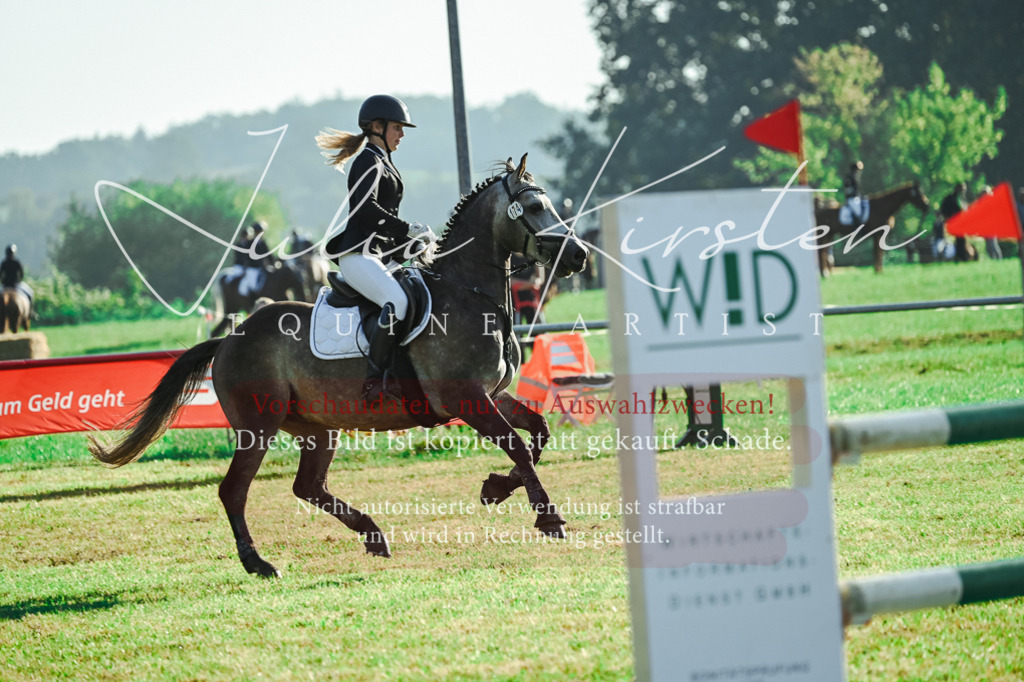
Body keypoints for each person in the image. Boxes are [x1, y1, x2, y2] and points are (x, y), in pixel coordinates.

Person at [316, 94, 437, 400]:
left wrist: (413, 244)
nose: (402, 134)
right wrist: (405, 229)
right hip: (358, 256)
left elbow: (386, 220)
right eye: (398, 127)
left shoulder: (384, 162)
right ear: (377, 127)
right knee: (397, 302)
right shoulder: (367, 161)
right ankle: (374, 380)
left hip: (379, 255)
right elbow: (366, 210)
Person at [940, 182, 969, 263]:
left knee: (961, 241)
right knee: (956, 241)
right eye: (962, 189)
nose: (963, 191)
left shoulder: (962, 199)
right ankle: (959, 257)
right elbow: (943, 209)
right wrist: (948, 219)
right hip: (953, 224)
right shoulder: (951, 199)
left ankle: (961, 258)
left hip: (961, 224)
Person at [1, 244, 33, 314]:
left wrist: (3, 282)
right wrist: (18, 280)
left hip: (6, 285)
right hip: (15, 285)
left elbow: (1, 274)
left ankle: (30, 312)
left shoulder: (4, 263)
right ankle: (30, 312)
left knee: (30, 293)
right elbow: (21, 274)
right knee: (30, 293)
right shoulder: (16, 262)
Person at [841, 161, 869, 226]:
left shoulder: (855, 177)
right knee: (858, 213)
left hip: (856, 198)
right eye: (857, 169)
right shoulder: (849, 178)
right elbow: (848, 190)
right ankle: (857, 228)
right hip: (852, 199)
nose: (858, 171)